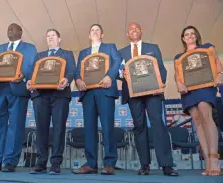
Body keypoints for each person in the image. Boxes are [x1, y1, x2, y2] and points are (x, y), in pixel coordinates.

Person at [118, 22, 178, 176]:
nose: (134, 30)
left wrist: (161, 82)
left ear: (141, 30)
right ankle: (144, 165)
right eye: (130, 29)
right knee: (139, 127)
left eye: (136, 28)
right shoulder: (121, 52)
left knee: (157, 124)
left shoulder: (153, 48)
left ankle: (166, 165)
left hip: (153, 93)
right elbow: (118, 72)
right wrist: (121, 74)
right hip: (133, 94)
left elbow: (161, 69)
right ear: (127, 34)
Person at [0, 23, 37, 172]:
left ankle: (10, 162)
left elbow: (32, 66)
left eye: (13, 28)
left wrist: (23, 75)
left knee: (15, 126)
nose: (9, 30)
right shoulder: (0, 48)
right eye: (8, 28)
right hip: (0, 89)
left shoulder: (30, 48)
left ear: (20, 31)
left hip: (18, 89)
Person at [72, 24, 122, 175]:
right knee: (89, 129)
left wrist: (109, 76)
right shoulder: (83, 52)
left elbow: (117, 60)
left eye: (97, 30)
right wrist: (78, 80)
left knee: (107, 128)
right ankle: (91, 164)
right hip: (88, 93)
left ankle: (109, 163)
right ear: (89, 35)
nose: (95, 32)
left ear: (102, 35)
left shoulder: (110, 47)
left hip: (105, 91)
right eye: (92, 30)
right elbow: (77, 71)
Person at [174, 25, 223, 176]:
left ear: (196, 36)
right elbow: (177, 75)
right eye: (186, 34)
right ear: (183, 38)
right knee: (197, 121)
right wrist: (179, 84)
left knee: (206, 115)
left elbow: (216, 63)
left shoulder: (207, 48)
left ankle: (214, 159)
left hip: (205, 86)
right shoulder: (178, 57)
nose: (189, 36)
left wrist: (220, 74)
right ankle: (207, 161)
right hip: (188, 91)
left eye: (192, 34)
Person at [26, 29, 76, 175]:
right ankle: (41, 162)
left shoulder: (67, 54)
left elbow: (72, 70)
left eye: (53, 35)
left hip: (59, 95)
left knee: (59, 128)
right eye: (48, 36)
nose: (50, 38)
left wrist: (67, 80)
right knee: (41, 129)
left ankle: (55, 163)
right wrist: (29, 80)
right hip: (40, 95)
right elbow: (31, 72)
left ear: (59, 39)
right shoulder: (39, 56)